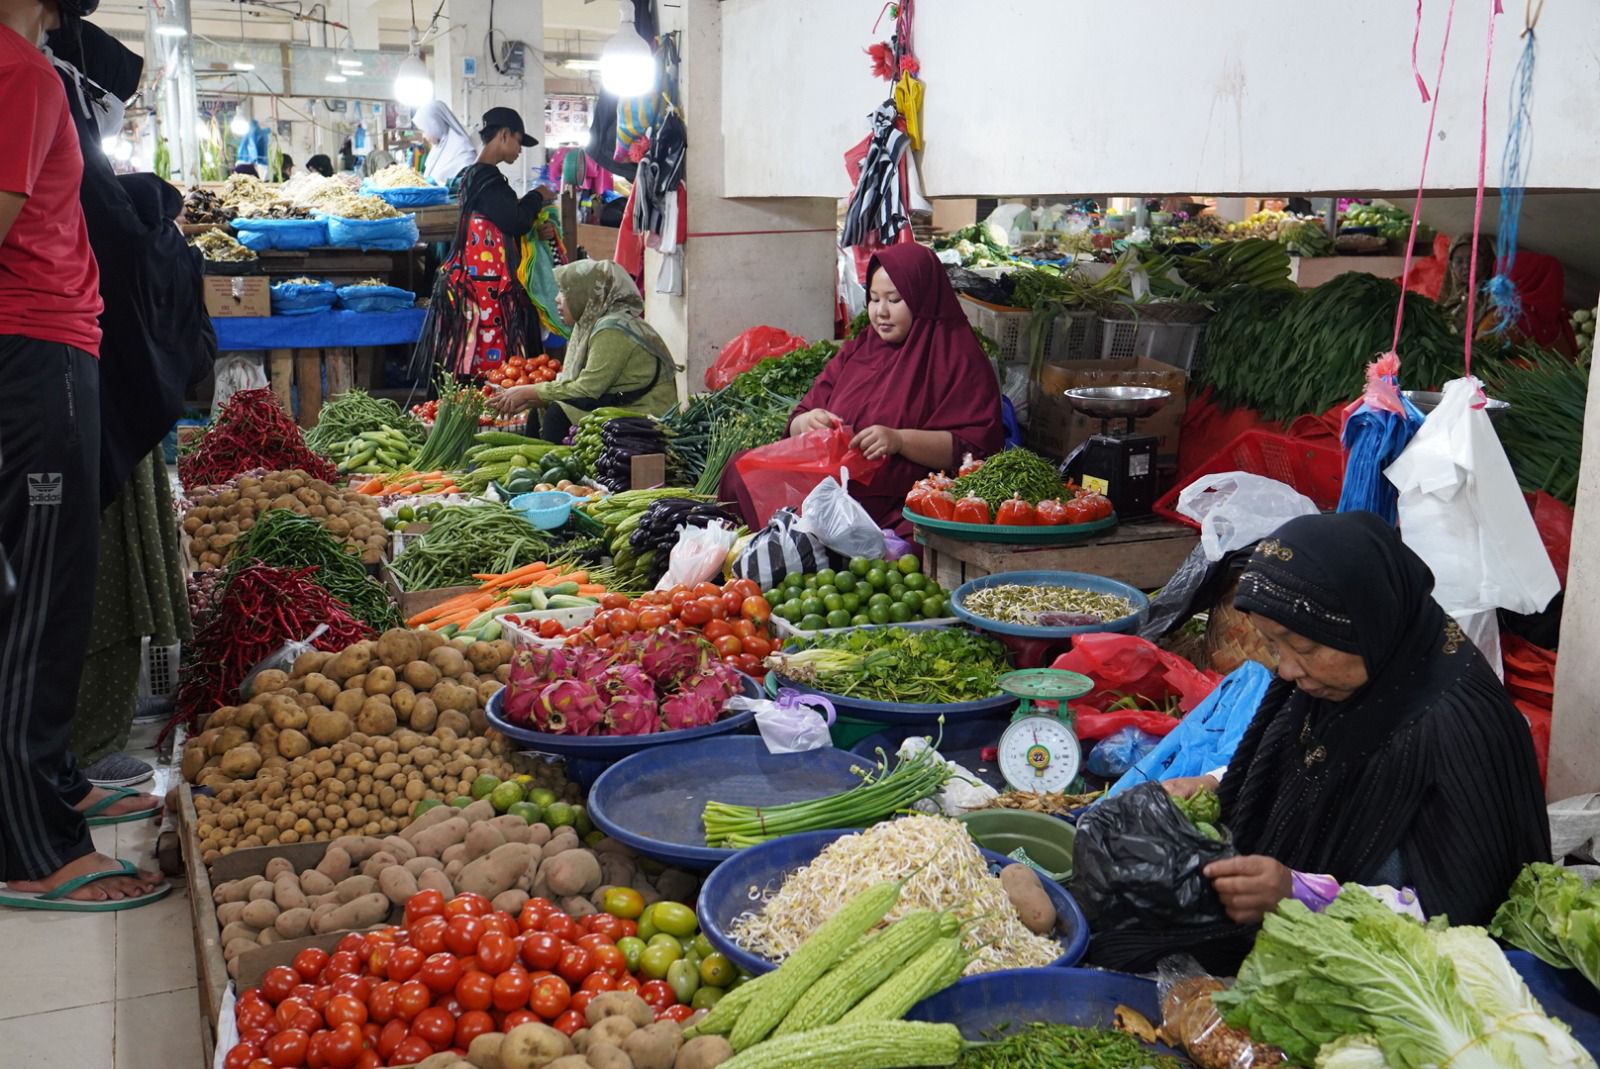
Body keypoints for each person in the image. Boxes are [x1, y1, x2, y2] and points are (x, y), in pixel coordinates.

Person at [1089, 512, 1550, 973]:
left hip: (1393, 953)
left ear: (1370, 623)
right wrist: (1214, 781)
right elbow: (1289, 756)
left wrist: (1300, 895)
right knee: (1120, 914)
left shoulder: (1458, 730)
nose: (1286, 669)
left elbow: (1460, 916)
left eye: (1303, 649)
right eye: (1273, 645)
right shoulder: (1343, 671)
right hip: (1298, 887)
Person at [0, 0, 168, 909]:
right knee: (42, 594)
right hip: (33, 352)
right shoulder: (18, 73)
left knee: (45, 582)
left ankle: (49, 781)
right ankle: (33, 847)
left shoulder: (24, 70)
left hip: (41, 348)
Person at [46, 17, 205, 788]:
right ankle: (78, 741)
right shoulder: (63, 152)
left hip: (85, 389)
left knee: (82, 566)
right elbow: (136, 268)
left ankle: (71, 741)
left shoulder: (79, 167)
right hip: (88, 395)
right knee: (94, 570)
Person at [720, 242, 1004, 535]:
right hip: (837, 475)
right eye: (874, 299)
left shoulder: (957, 357)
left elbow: (975, 447)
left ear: (922, 298)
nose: (881, 312)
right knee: (739, 471)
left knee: (914, 540)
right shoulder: (863, 347)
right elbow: (804, 412)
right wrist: (807, 422)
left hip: (899, 492)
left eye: (894, 300)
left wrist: (900, 440)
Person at [412, 106, 548, 378]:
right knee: (490, 362)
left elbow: (503, 220)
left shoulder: (476, 177)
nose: (520, 150)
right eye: (519, 142)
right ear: (504, 135)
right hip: (486, 290)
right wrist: (538, 196)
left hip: (483, 285)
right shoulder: (487, 178)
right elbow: (516, 220)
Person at [488, 260, 678, 441]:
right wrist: (533, 396)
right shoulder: (590, 324)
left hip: (647, 415)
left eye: (564, 291)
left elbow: (587, 389)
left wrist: (531, 392)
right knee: (541, 410)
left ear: (585, 293)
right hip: (617, 404)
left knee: (556, 413)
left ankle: (553, 473)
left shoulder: (613, 329)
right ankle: (530, 471)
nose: (557, 299)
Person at [1437, 233, 1576, 356]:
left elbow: (1480, 358)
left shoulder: (1500, 319)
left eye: (1472, 259)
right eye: (1458, 261)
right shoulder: (1558, 321)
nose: (1466, 266)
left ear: (1486, 260)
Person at [413, 99, 477, 190]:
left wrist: (445, 185)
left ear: (435, 125)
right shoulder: (438, 149)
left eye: (425, 130)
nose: (424, 136)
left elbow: (468, 184)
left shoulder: (463, 150)